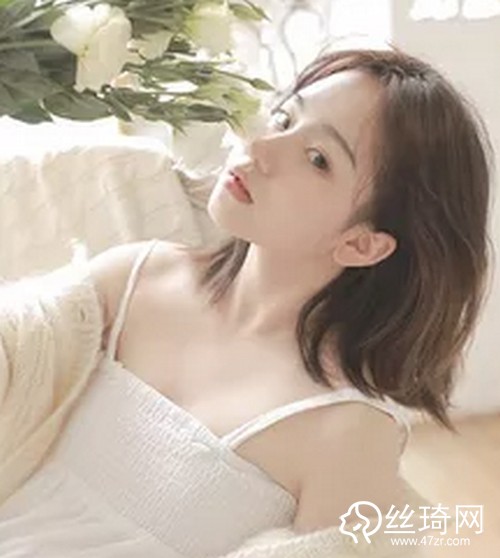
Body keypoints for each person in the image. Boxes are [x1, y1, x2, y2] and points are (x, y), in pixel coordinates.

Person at [0, 47, 492, 557]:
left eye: (317, 158)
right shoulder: (136, 278)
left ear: (362, 244)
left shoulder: (345, 431)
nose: (261, 147)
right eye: (284, 118)